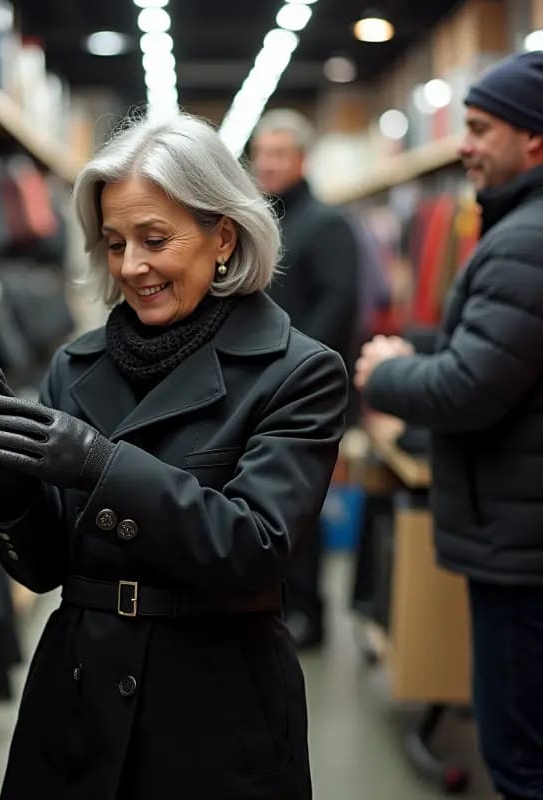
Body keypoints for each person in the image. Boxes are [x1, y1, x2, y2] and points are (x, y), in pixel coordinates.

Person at [0, 112, 348, 800]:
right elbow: (43, 570)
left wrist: (100, 464)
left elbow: (255, 547)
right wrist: (9, 483)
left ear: (223, 237)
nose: (131, 267)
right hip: (76, 706)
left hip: (216, 713)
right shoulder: (77, 363)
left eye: (155, 239)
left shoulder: (299, 372)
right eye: (115, 242)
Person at [354, 51, 543, 800]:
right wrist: (423, 347)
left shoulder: (526, 238)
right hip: (523, 529)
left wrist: (387, 374)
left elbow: (472, 385)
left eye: (480, 128)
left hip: (521, 545)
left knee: (521, 754)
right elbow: (511, 351)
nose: (465, 145)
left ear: (533, 139)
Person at [251, 109, 359, 648]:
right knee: (269, 500)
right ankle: (280, 605)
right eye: (261, 154)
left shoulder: (327, 223)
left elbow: (339, 305)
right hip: (262, 386)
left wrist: (296, 369)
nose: (267, 164)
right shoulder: (260, 221)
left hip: (307, 388)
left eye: (278, 155)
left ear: (301, 159)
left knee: (303, 500)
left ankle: (310, 614)